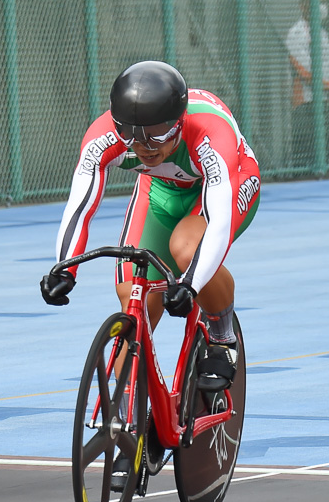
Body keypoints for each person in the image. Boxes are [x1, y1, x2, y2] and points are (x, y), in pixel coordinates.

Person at [41, 60, 261, 397]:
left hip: (223, 186)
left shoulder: (209, 134)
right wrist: (64, 267)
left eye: (159, 134)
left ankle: (221, 335)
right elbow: (80, 207)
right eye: (131, 135)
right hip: (158, 192)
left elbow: (218, 223)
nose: (145, 146)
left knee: (186, 249)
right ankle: (131, 417)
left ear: (179, 122)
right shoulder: (103, 138)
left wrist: (190, 285)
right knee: (134, 297)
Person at [284, 0, 329, 159]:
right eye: (316, 1)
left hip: (325, 103)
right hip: (305, 104)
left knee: (326, 154)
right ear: (303, 5)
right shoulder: (296, 34)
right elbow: (306, 73)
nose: (321, 6)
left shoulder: (323, 34)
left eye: (323, 2)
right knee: (306, 156)